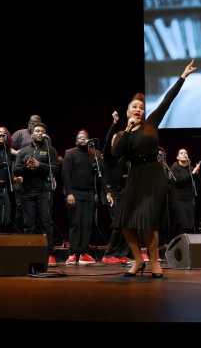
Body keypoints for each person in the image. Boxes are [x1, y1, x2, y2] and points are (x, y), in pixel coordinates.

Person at [112, 59, 197, 278]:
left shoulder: (151, 123)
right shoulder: (123, 135)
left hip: (153, 176)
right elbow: (116, 154)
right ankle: (138, 259)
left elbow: (167, 100)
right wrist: (127, 130)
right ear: (128, 111)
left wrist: (182, 77)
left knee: (148, 221)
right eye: (134, 107)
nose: (138, 110)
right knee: (124, 222)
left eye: (141, 107)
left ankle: (155, 262)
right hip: (135, 176)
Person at [14, 122, 60, 267]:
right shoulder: (23, 151)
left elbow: (56, 169)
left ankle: (50, 253)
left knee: (46, 222)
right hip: (27, 192)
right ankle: (30, 253)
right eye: (37, 131)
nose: (40, 133)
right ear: (32, 134)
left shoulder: (50, 150)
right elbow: (16, 170)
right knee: (29, 224)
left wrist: (39, 165)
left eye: (42, 131)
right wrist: (27, 167)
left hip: (44, 191)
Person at [62, 130, 102, 265]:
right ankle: (73, 253)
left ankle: (84, 252)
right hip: (75, 193)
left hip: (89, 193)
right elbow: (65, 175)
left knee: (87, 224)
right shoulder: (70, 153)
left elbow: (99, 174)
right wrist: (69, 193)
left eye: (85, 138)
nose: (82, 139)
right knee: (75, 223)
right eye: (79, 138)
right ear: (76, 141)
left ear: (89, 140)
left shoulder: (94, 154)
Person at [100, 111, 130, 265]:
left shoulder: (123, 157)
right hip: (111, 192)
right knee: (118, 223)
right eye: (115, 139)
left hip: (123, 192)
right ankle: (108, 254)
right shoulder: (108, 155)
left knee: (127, 224)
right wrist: (115, 124)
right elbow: (107, 141)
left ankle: (120, 253)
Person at [169, 149, 201, 239]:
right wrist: (193, 172)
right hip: (179, 199)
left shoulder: (190, 168)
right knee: (181, 224)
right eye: (181, 153)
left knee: (190, 224)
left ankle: (189, 244)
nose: (184, 154)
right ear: (177, 157)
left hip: (189, 199)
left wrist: (197, 174)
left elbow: (197, 184)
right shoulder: (175, 167)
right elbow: (179, 181)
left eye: (186, 153)